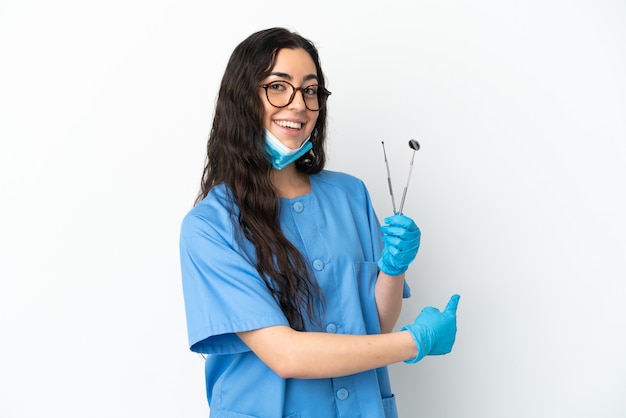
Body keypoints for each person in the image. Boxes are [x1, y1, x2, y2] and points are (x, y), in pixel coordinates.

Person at [179, 27, 460, 418]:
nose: (298, 105)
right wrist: (416, 342)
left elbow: (374, 323)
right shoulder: (210, 226)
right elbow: (286, 354)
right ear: (243, 97)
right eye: (279, 86)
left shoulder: (350, 195)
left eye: (310, 90)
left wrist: (393, 270)